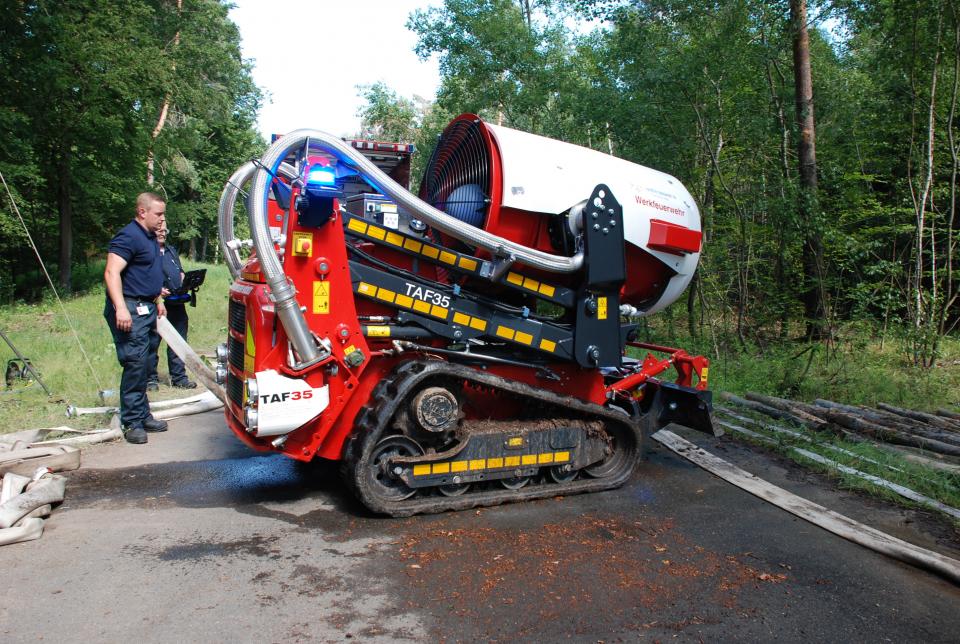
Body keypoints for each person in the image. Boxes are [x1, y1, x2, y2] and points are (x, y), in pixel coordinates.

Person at [103, 192, 170, 444]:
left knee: (145, 363)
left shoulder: (151, 238)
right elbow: (111, 272)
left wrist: (158, 300)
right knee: (134, 363)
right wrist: (120, 307)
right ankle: (131, 422)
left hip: (147, 308)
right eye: (158, 214)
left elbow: (147, 274)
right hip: (129, 308)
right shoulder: (129, 236)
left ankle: (143, 415)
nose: (162, 219)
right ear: (142, 212)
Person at [146, 225, 197, 391]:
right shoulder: (146, 251)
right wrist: (157, 289)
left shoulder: (171, 251)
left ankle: (179, 377)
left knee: (178, 340)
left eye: (165, 231)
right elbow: (141, 276)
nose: (162, 233)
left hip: (176, 303)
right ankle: (150, 379)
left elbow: (179, 271)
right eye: (159, 230)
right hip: (155, 303)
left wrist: (185, 280)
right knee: (152, 342)